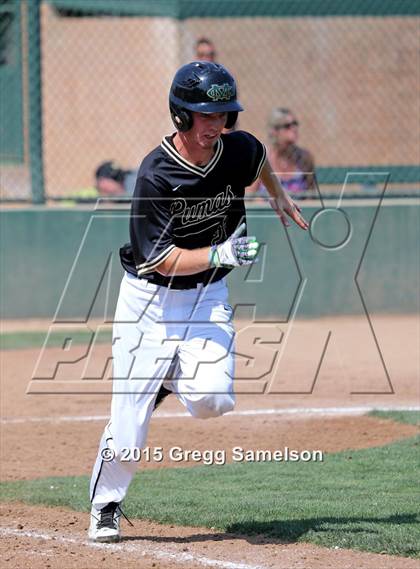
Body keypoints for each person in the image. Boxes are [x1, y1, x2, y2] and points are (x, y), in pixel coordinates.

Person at [88, 61, 308, 543]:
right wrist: (222, 251)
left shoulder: (237, 147)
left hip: (207, 295)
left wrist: (277, 196)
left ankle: (169, 375)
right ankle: (106, 505)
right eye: (205, 115)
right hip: (149, 302)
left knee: (213, 400)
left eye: (224, 114)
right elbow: (161, 261)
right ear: (180, 115)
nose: (217, 124)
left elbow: (259, 158)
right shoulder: (156, 173)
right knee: (129, 425)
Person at [251, 108, 315, 198]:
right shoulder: (261, 157)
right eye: (287, 126)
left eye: (295, 124)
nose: (294, 128)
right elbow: (250, 196)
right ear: (274, 131)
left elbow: (311, 195)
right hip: (268, 210)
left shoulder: (304, 157)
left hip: (299, 210)